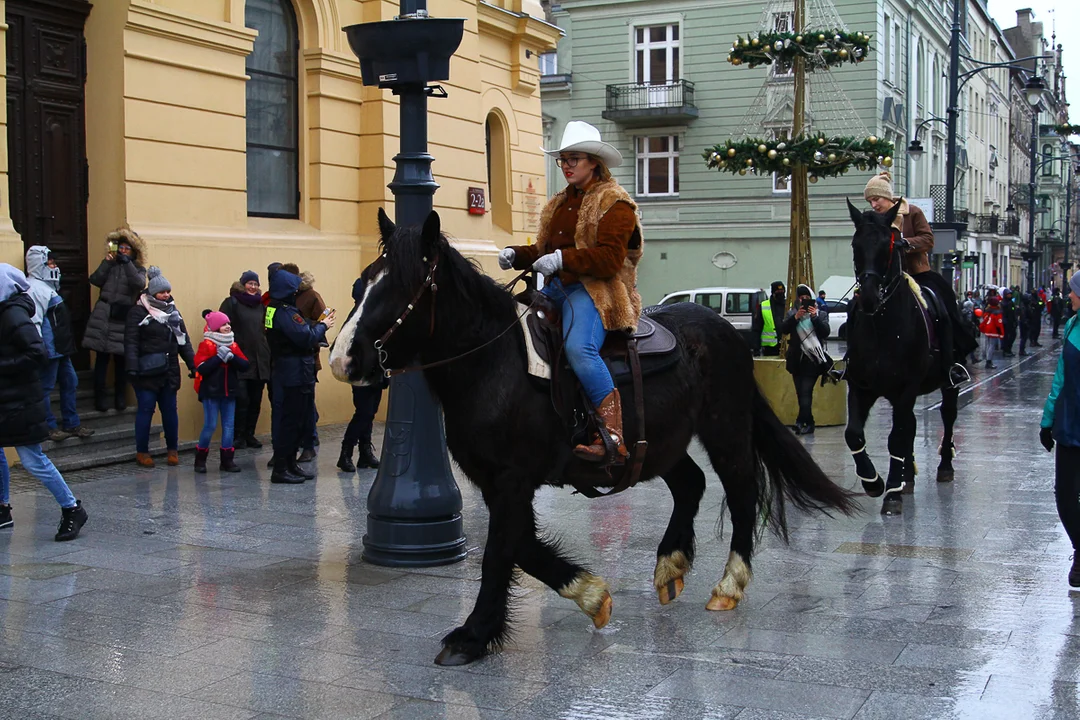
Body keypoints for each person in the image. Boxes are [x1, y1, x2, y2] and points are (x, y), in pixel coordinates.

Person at [498, 120, 643, 464]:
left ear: (594, 161)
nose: (566, 166)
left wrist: (562, 258)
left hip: (595, 291)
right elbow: (544, 251)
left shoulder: (616, 203)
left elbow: (610, 259)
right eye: (562, 159)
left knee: (580, 349)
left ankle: (613, 436)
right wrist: (517, 254)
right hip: (554, 289)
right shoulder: (559, 203)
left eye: (573, 159)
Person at [0, 264, 88, 541]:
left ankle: (72, 507)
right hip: (6, 399)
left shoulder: (13, 314)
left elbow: (37, 353)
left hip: (22, 402)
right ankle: (2, 509)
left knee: (33, 460)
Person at [864, 171, 975, 386]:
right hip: (885, 278)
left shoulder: (911, 212)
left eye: (876, 199)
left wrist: (905, 243)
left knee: (943, 306)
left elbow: (928, 239)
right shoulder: (872, 221)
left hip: (917, 274)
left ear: (887, 197)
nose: (874, 204)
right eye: (870, 201)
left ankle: (952, 362)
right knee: (859, 307)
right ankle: (856, 360)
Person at [266, 268, 334, 483]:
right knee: (291, 421)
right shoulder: (286, 313)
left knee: (293, 420)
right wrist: (324, 325)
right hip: (294, 371)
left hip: (287, 369)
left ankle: (289, 464)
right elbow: (304, 338)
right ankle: (281, 468)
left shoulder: (272, 309)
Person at [124, 267, 195, 468]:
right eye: (162, 292)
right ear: (152, 292)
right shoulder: (138, 312)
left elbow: (184, 341)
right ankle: (142, 452)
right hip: (146, 371)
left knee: (170, 411)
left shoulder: (173, 312)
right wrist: (132, 368)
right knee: (146, 410)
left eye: (167, 291)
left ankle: (172, 450)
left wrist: (193, 365)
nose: (166, 295)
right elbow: (131, 342)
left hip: (169, 370)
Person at [24, 246, 94, 441]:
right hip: (49, 347)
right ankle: (48, 426)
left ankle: (72, 423)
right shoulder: (33, 288)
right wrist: (39, 346)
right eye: (50, 263)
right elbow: (35, 319)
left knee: (71, 382)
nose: (54, 267)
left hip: (62, 347)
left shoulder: (48, 287)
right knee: (46, 387)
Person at [1041, 272, 1080, 586]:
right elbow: (1060, 380)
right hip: (1069, 423)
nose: (1069, 297)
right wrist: (1047, 420)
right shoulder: (1071, 326)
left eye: (1073, 292)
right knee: (1064, 495)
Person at [84, 228, 148, 412]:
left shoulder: (137, 268)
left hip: (122, 317)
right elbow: (95, 279)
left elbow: (138, 284)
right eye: (121, 247)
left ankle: (120, 397)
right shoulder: (110, 265)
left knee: (121, 361)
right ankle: (100, 398)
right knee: (102, 359)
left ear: (134, 251)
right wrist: (107, 262)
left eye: (127, 248)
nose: (123, 251)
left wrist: (127, 263)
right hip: (104, 315)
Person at [337, 278, 385, 473]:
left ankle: (365, 453)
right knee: (364, 413)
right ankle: (346, 452)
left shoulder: (374, 313)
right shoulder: (357, 317)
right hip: (362, 372)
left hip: (375, 371)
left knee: (370, 412)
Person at [193, 310, 249, 474]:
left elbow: (245, 365)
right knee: (210, 425)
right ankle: (200, 458)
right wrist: (218, 358)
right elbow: (201, 368)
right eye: (223, 324)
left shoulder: (232, 344)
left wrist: (232, 357)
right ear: (216, 328)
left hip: (229, 391)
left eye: (228, 324)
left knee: (228, 426)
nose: (227, 326)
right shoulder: (206, 345)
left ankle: (227, 460)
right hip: (211, 392)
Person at [219, 270, 270, 449]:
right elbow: (220, 327)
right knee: (242, 400)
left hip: (259, 361)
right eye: (250, 283)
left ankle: (250, 434)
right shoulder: (231, 303)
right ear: (243, 284)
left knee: (256, 400)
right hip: (239, 359)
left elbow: (267, 329)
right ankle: (237, 435)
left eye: (256, 284)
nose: (253, 287)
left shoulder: (262, 306)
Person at [282, 263, 327, 462]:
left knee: (307, 401)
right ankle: (303, 436)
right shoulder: (286, 298)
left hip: (309, 356)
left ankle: (310, 438)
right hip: (291, 356)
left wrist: (312, 328)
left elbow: (326, 317)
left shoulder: (312, 296)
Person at [779, 284, 830, 435]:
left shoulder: (820, 314)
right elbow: (784, 329)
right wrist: (795, 318)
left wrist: (814, 317)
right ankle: (809, 422)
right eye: (801, 298)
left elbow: (825, 332)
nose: (803, 300)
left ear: (812, 299)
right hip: (796, 360)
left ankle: (801, 422)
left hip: (813, 360)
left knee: (806, 391)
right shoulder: (792, 313)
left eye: (807, 298)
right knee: (800, 393)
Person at [751, 281, 786, 357]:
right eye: (778, 291)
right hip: (770, 348)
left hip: (787, 346)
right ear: (773, 293)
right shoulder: (764, 306)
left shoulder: (789, 305)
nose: (780, 293)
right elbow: (757, 329)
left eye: (782, 291)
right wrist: (756, 349)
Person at [979, 295, 1004, 369]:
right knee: (992, 346)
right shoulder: (997, 312)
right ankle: (989, 361)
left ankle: (988, 359)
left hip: (987, 329)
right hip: (993, 331)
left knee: (988, 345)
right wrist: (1001, 333)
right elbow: (999, 324)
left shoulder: (987, 310)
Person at [1002, 288, 1018, 357]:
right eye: (1008, 294)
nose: (1009, 295)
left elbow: (1013, 312)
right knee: (1006, 337)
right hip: (1006, 323)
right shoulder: (1003, 303)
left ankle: (1009, 349)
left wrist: (1015, 320)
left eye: (1010, 294)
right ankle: (1006, 350)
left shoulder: (1011, 302)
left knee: (1013, 336)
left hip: (1011, 322)